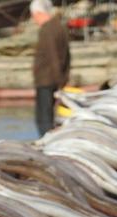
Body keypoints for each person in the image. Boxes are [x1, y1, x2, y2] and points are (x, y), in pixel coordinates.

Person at [31, 0, 70, 136]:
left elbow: (53, 56)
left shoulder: (47, 30)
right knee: (49, 115)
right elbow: (67, 56)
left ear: (39, 13)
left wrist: (59, 81)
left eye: (34, 15)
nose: (34, 19)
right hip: (55, 78)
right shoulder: (60, 27)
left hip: (46, 79)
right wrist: (64, 78)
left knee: (43, 117)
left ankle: (45, 140)